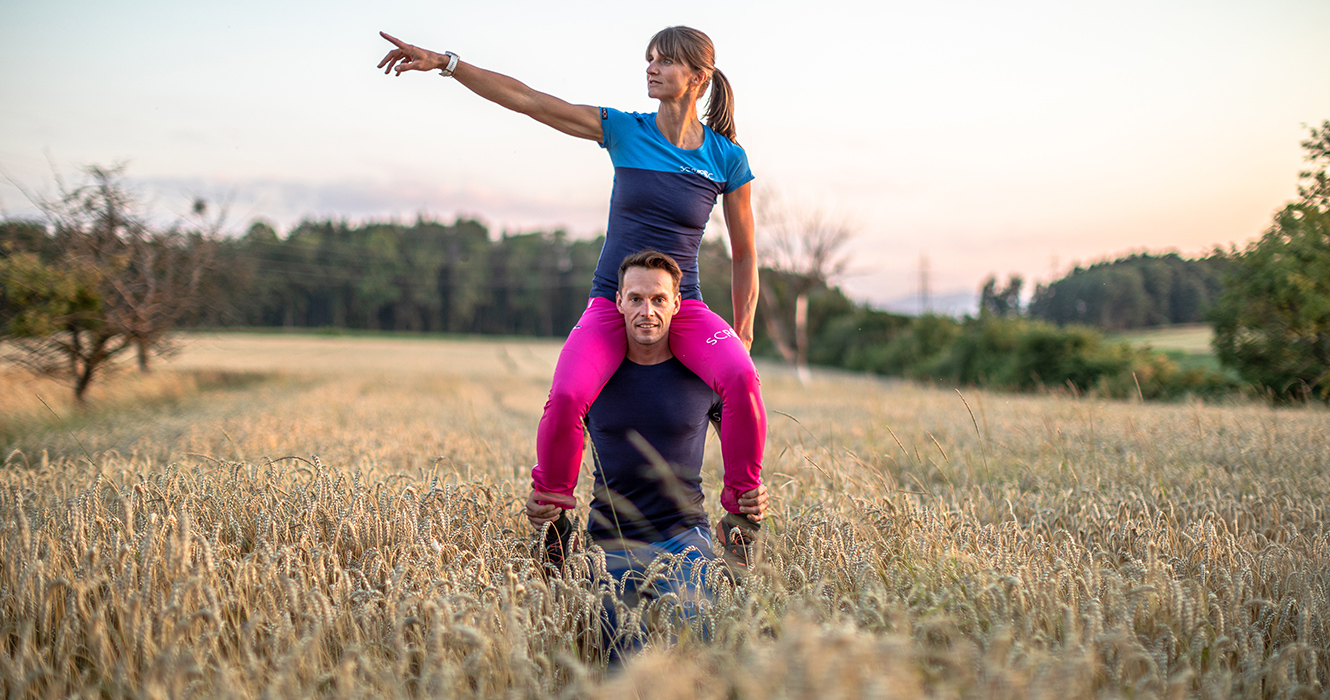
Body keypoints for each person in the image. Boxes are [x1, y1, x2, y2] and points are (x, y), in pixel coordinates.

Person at [376, 26, 766, 534]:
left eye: (665, 61)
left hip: (682, 303)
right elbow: (530, 101)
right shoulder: (624, 129)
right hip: (612, 298)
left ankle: (740, 512)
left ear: (699, 77)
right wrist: (448, 64)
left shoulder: (726, 158)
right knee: (565, 396)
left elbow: (744, 255)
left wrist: (744, 330)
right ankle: (554, 513)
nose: (651, 67)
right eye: (649, 58)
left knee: (740, 378)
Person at [523, 250, 768, 659]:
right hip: (610, 540)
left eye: (658, 299)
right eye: (635, 299)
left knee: (690, 650)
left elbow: (740, 437)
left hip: (685, 536)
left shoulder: (703, 375)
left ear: (677, 304)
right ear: (617, 303)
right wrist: (545, 499)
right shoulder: (593, 375)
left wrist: (751, 494)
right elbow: (563, 438)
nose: (647, 311)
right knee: (622, 660)